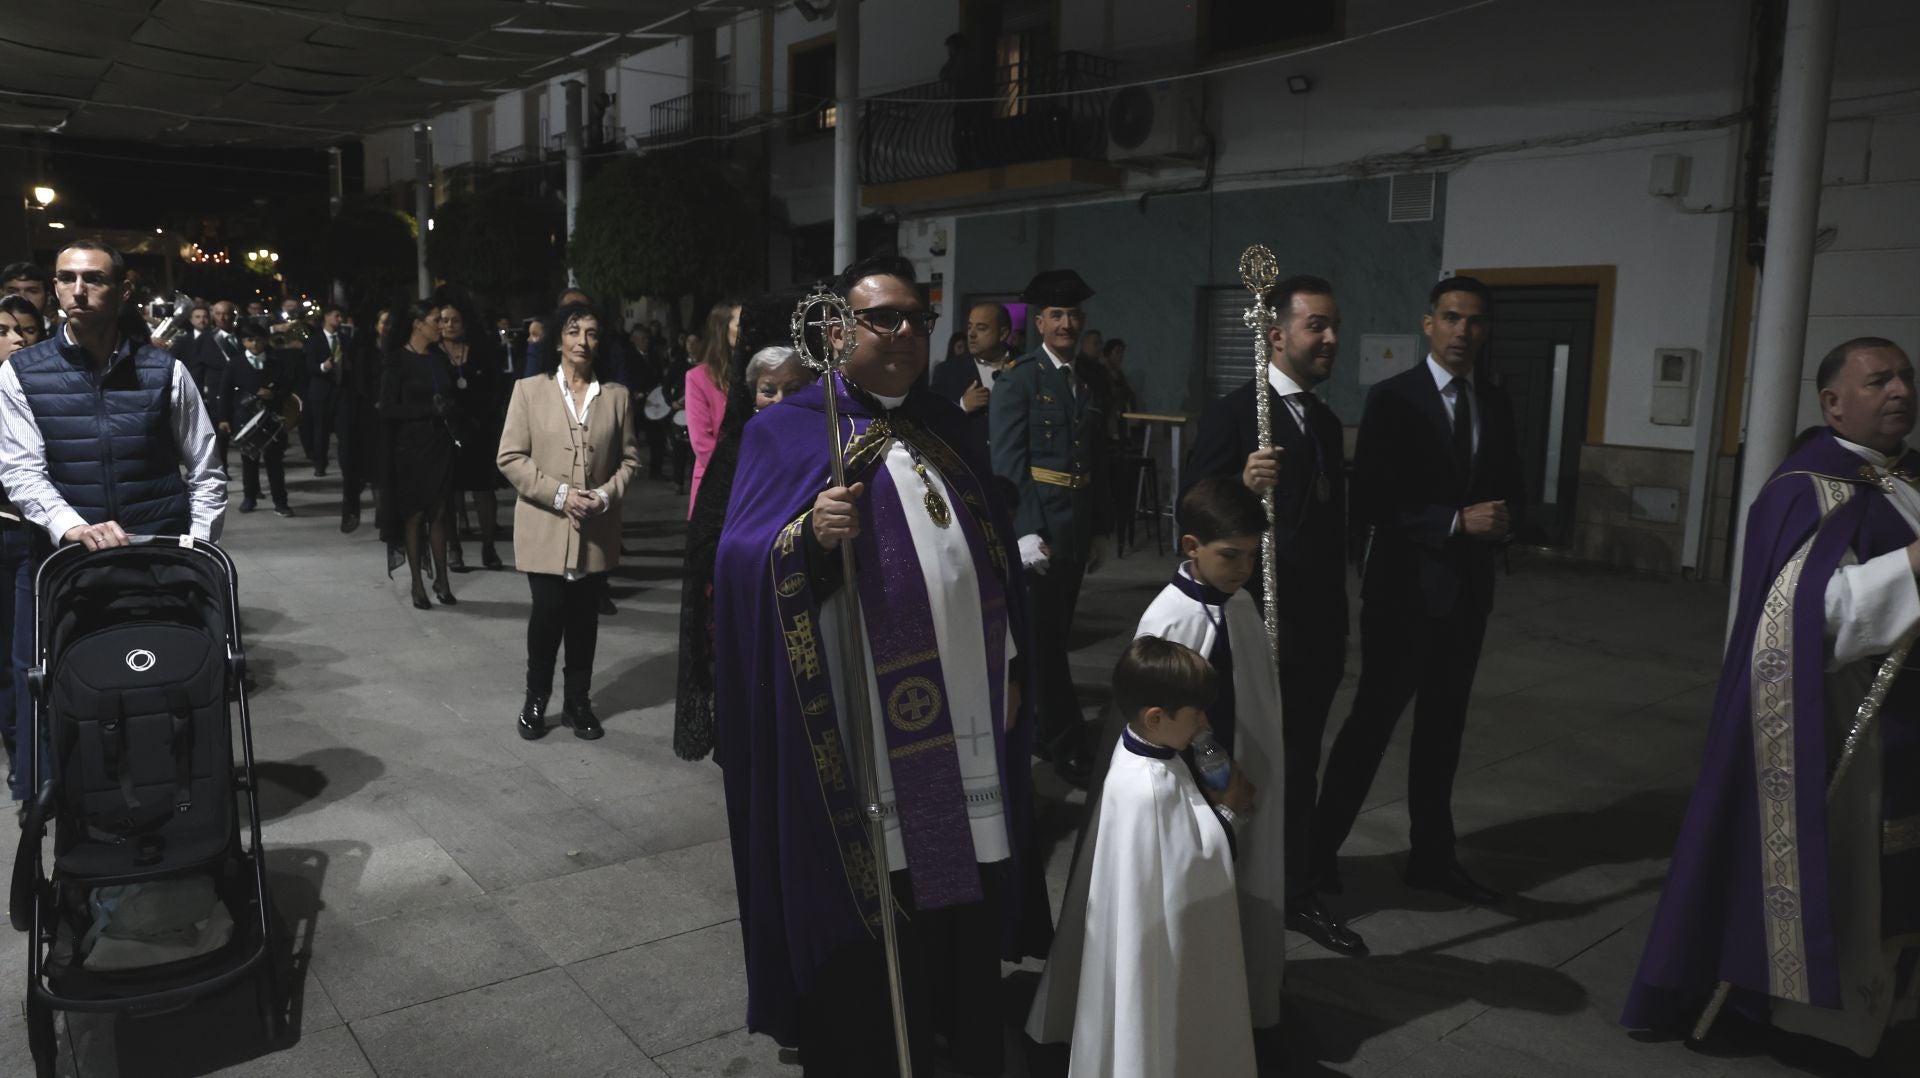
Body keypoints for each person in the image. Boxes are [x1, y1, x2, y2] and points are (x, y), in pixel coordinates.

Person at [712, 256, 1050, 1076]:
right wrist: (807, 539)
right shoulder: (789, 429)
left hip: (964, 709)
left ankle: (953, 1031)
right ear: (837, 330)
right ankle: (866, 1042)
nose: (905, 332)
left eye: (917, 317)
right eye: (884, 317)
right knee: (875, 890)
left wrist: (1009, 667)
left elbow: (990, 561)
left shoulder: (948, 425)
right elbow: (737, 560)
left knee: (956, 877)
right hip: (858, 718)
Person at [1623, 337, 1920, 1058]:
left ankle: (1872, 1018)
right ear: (1833, 402)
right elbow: (1808, 619)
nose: (1900, 392)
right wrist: (1913, 567)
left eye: (1906, 378)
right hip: (1843, 726)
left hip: (1907, 723)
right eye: (1880, 380)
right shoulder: (1802, 488)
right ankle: (1812, 1026)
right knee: (1850, 882)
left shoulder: (1906, 482)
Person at [1314, 275, 1524, 907]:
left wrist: (1508, 521)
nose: (1464, 332)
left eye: (1476, 322)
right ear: (1428, 324)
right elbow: (1372, 501)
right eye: (1452, 318)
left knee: (1443, 732)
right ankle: (1317, 855)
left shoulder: (1495, 402)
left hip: (1466, 596)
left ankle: (1433, 857)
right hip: (1403, 595)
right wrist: (1455, 522)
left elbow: (1508, 484)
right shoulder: (1393, 399)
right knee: (1371, 726)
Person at [1183, 273, 1366, 957]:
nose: (1330, 339)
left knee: (1301, 761)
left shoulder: (1319, 418)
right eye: (1316, 325)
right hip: (1257, 618)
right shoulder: (1236, 414)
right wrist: (1239, 484)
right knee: (1245, 754)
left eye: (1334, 325)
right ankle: (1229, 878)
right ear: (1276, 334)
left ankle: (1295, 886)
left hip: (1317, 623)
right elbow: (1191, 506)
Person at [1026, 637, 1257, 1078]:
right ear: (1156, 717)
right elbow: (1195, 868)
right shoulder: (1150, 786)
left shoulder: (1138, 747)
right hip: (1161, 939)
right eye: (1195, 714)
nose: (1202, 722)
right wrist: (1231, 811)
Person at [1132, 477, 1286, 1027]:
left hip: (1238, 779)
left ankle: (1238, 1001)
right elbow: (1168, 724)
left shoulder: (1239, 605)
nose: (1243, 568)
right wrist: (1221, 778)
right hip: (1193, 787)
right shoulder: (1169, 620)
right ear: (1190, 547)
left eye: (1252, 555)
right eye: (1230, 555)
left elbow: (1255, 705)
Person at [0, 239, 225, 550]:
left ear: (123, 291)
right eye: (67, 278)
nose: (78, 290)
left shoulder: (165, 370)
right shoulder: (21, 372)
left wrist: (198, 545)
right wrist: (72, 527)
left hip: (162, 554)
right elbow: (22, 470)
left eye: (94, 278)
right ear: (55, 287)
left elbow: (206, 470)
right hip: (72, 560)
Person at [989, 268, 1112, 786]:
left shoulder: (1092, 378)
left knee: (1053, 635)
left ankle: (1039, 728)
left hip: (1076, 524)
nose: (1068, 323)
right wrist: (1024, 530)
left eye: (1074, 314)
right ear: (1039, 322)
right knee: (1044, 643)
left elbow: (1101, 458)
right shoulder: (1019, 379)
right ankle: (1067, 745)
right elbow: (1009, 460)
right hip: (1038, 528)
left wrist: (1102, 526)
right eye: (1057, 315)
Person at [498, 301, 639, 742]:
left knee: (584, 621)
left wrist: (603, 495)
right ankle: (536, 698)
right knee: (547, 614)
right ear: (559, 337)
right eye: (574, 331)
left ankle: (578, 701)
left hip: (596, 530)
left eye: (592, 333)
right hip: (544, 526)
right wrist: (558, 494)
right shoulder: (528, 390)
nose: (582, 341)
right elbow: (509, 456)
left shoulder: (616, 396)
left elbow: (630, 460)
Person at [378, 300, 457, 610]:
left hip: (440, 445)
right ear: (417, 324)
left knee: (440, 514)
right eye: (436, 320)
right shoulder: (397, 361)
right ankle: (417, 584)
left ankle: (443, 580)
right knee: (415, 515)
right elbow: (387, 408)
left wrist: (450, 407)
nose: (441, 325)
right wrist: (428, 410)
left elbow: (452, 393)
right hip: (411, 449)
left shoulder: (439, 358)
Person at [0, 294, 42, 801]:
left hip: (33, 537)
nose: (17, 339)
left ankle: (37, 769)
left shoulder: (41, 388)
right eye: (6, 330)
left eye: (27, 330)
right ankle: (21, 765)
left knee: (31, 659)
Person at [437, 295, 507, 572]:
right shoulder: (433, 353)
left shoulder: (479, 350)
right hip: (446, 431)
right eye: (444, 320)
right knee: (451, 493)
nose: (450, 325)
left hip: (479, 428)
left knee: (483, 490)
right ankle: (455, 550)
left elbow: (495, 386)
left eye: (455, 320)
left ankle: (489, 547)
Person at [218, 323, 295, 517]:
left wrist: (273, 394)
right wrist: (223, 418)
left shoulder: (276, 362)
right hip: (245, 420)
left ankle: (281, 501)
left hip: (272, 420)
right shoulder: (235, 364)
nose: (254, 344)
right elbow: (225, 393)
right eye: (250, 340)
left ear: (266, 341)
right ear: (243, 342)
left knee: (275, 463)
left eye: (258, 340)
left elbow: (288, 388)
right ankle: (249, 498)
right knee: (249, 462)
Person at [930, 300, 1011, 453]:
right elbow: (931, 421)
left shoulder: (1024, 367)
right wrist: (962, 406)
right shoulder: (948, 371)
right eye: (969, 327)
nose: (972, 334)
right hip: (970, 466)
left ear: (1003, 333)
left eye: (981, 328)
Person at [684, 299, 740, 516]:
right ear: (723, 328)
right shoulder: (697, 378)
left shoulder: (754, 373)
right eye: (740, 322)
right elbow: (702, 444)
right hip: (715, 486)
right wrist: (740, 476)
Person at [340, 308, 388, 533]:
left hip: (390, 415)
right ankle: (366, 511)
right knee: (369, 467)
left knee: (383, 470)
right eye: (383, 322)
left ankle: (384, 513)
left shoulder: (396, 349)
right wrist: (376, 401)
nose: (387, 328)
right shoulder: (365, 351)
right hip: (367, 417)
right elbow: (361, 383)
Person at [302, 304, 352, 478]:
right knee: (321, 432)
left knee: (344, 432)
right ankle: (320, 464)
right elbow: (309, 366)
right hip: (321, 392)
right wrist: (324, 366)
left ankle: (346, 465)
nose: (340, 320)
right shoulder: (314, 340)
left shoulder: (345, 339)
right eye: (336, 316)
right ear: (327, 317)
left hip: (342, 392)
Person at [169, 302, 228, 404]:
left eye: (205, 317)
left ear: (210, 319)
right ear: (191, 320)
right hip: (189, 391)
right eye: (198, 317)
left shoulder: (221, 339)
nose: (202, 320)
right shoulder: (181, 341)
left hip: (216, 391)